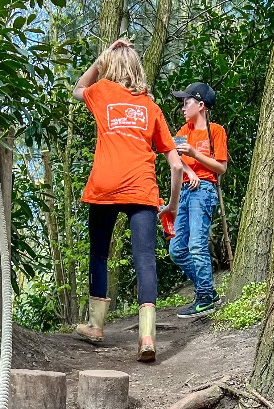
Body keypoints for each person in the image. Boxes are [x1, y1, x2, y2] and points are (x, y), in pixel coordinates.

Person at [72, 39, 183, 362]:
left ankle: (95, 325)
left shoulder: (101, 92)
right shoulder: (151, 108)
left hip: (105, 186)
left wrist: (100, 57)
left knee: (99, 254)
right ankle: (147, 337)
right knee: (145, 260)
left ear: (110, 67)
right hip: (141, 189)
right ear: (137, 69)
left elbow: (79, 88)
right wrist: (172, 205)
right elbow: (176, 164)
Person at [169, 82, 228, 318]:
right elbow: (173, 157)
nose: (183, 107)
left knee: (196, 245)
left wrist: (195, 155)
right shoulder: (184, 131)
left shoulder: (216, 131)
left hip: (204, 190)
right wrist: (189, 170)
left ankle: (204, 298)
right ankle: (208, 291)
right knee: (176, 249)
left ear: (201, 105)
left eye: (187, 102)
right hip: (185, 190)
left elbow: (221, 168)